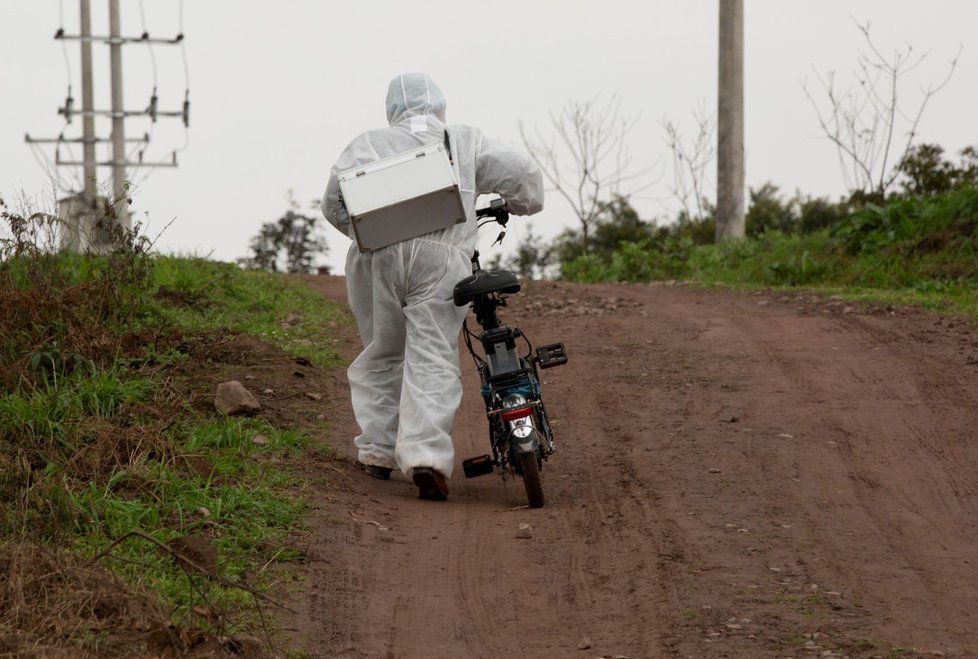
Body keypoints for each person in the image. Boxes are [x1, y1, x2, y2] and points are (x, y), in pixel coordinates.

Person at [321, 73, 544, 501]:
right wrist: (518, 203)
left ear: (391, 113)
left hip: (377, 256)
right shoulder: (463, 140)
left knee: (382, 351)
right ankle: (425, 457)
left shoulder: (366, 144)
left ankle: (377, 453)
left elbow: (333, 203)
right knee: (431, 353)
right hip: (441, 260)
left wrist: (370, 234)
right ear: (440, 106)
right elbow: (525, 179)